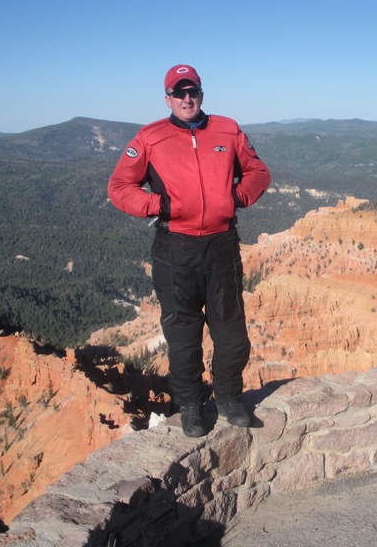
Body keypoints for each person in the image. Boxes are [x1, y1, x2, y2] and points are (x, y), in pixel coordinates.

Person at [108, 64, 271, 437]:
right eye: (178, 93)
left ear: (201, 93)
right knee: (183, 336)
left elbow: (258, 171)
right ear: (167, 98)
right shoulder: (151, 137)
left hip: (221, 245)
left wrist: (237, 197)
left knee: (231, 333)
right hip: (175, 248)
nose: (186, 99)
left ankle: (229, 400)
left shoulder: (227, 130)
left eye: (192, 91)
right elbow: (119, 187)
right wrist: (156, 206)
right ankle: (191, 408)